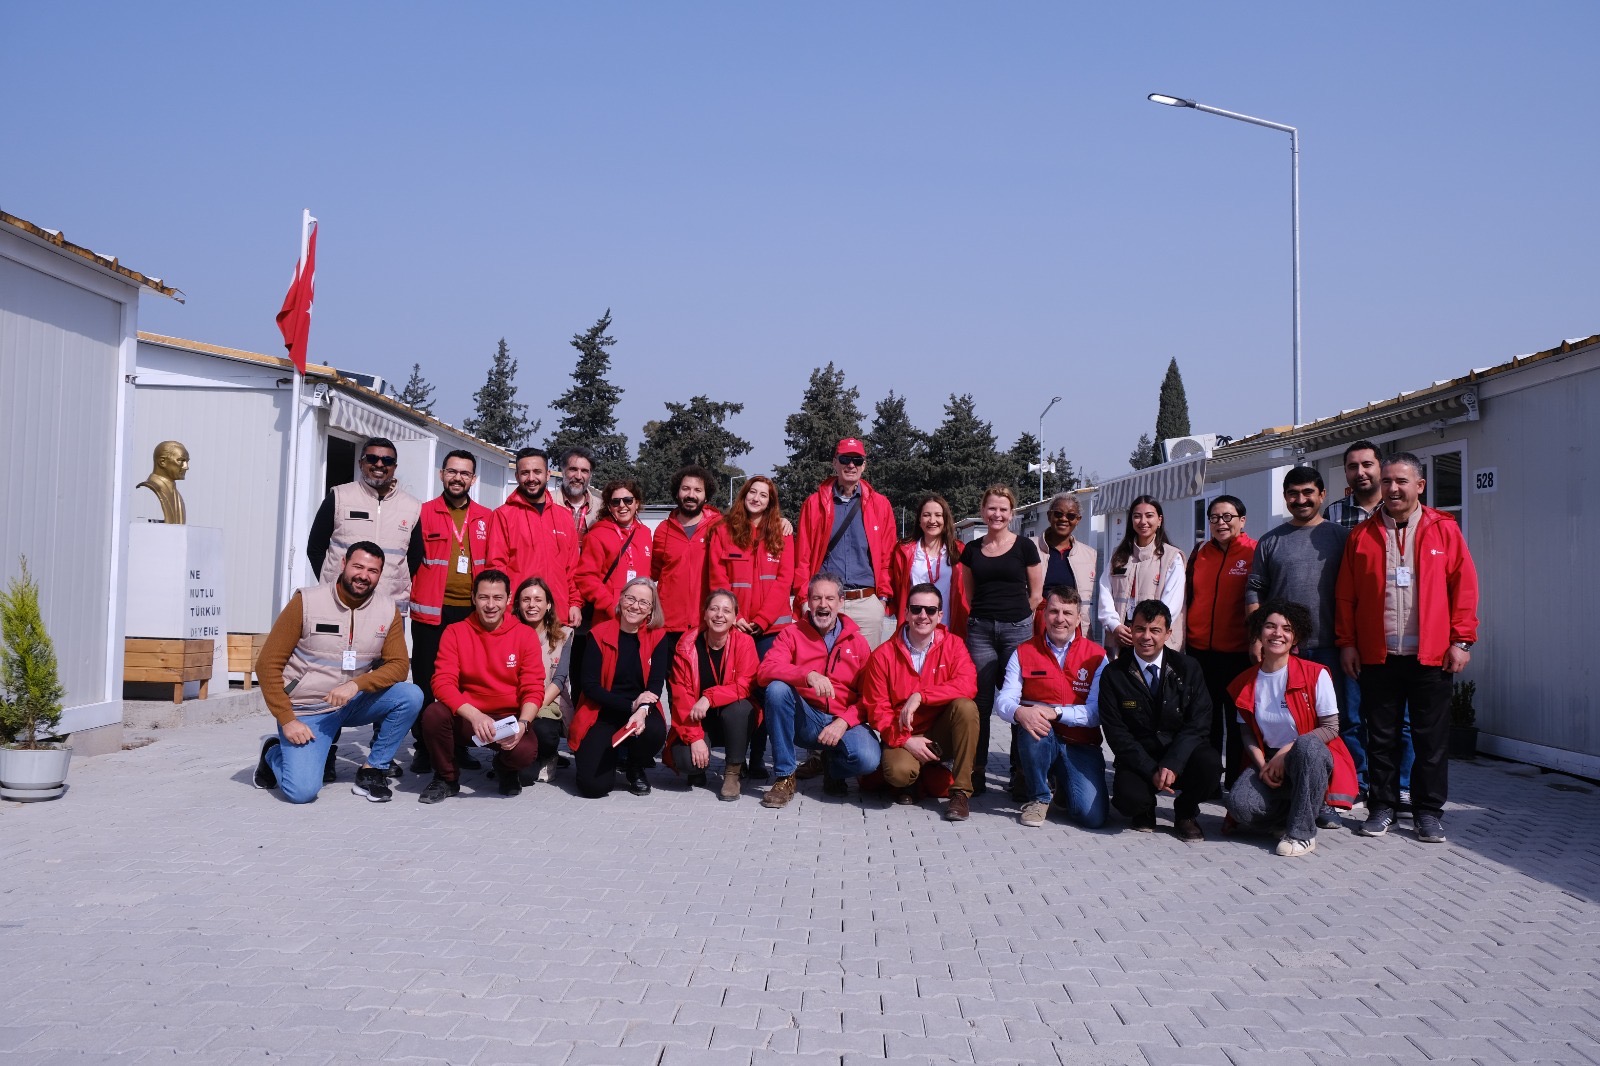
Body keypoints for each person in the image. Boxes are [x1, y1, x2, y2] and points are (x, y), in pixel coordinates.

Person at [1336, 453, 1479, 843]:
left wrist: (1461, 641)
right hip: (1378, 657)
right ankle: (1382, 806)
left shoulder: (1443, 530)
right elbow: (1346, 596)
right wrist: (1348, 644)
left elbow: (1463, 588)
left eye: (1401, 481)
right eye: (1387, 482)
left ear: (1420, 485)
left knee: (1430, 739)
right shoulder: (1361, 536)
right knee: (1379, 737)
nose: (1392, 489)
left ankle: (1428, 812)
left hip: (1431, 657)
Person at [252, 543, 422, 804]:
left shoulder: (387, 610)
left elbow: (399, 665)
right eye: (358, 566)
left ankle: (373, 770)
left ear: (380, 575)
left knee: (410, 695)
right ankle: (273, 753)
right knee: (302, 792)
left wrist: (356, 686)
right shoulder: (306, 601)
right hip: (309, 709)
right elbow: (267, 664)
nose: (364, 575)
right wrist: (287, 719)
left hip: (352, 702)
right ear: (343, 564)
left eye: (373, 571)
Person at [1246, 467, 1352, 803]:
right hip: (1281, 651)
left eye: (1308, 492)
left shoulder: (1339, 537)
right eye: (1293, 493)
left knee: (1329, 726)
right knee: (1282, 722)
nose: (1301, 499)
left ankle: (1333, 794)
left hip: (1328, 648)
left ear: (1322, 495)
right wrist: (1258, 637)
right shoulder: (1271, 540)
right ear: (1285, 497)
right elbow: (1254, 590)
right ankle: (1283, 786)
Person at [1225, 600, 1359, 856]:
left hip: (1309, 757)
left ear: (1295, 636)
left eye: (1286, 628)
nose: (1277, 633)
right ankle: (1289, 815)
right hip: (1269, 760)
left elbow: (1331, 728)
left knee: (1307, 746)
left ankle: (1302, 834)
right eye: (1270, 626)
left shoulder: (1316, 673)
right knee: (1238, 805)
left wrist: (1286, 752)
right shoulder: (1244, 682)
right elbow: (1247, 733)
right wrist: (1263, 765)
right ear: (1259, 633)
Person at [1325, 439, 1412, 800]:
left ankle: (1403, 786)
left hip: (1405, 633)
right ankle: (1362, 781)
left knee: (1403, 721)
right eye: (1352, 466)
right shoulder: (1334, 515)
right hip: (1355, 631)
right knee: (1355, 716)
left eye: (1367, 465)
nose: (1360, 472)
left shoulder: (1407, 511)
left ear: (1381, 468)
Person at [415, 569, 547, 802]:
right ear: (473, 598)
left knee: (525, 752)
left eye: (497, 598)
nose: (490, 605)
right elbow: (442, 682)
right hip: (469, 717)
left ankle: (505, 769)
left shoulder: (525, 635)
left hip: (508, 718)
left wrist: (524, 724)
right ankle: (446, 777)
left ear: (508, 599)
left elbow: (533, 687)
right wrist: (475, 716)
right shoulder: (455, 632)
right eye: (484, 597)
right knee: (434, 714)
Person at [756, 572, 880, 808]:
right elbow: (765, 670)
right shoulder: (791, 634)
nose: (823, 605)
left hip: (842, 721)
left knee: (868, 759)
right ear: (808, 602)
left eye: (830, 598)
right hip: (805, 718)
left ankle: (833, 769)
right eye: (817, 598)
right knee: (777, 689)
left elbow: (870, 698)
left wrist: (843, 721)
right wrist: (806, 675)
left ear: (841, 602)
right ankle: (785, 776)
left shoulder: (858, 643)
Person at [1097, 600, 1219, 839]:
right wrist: (1151, 769)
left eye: (1155, 630)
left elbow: (1199, 722)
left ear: (1168, 633)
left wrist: (1173, 763)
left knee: (1211, 765)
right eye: (1140, 629)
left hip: (1179, 754)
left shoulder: (1188, 668)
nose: (1146, 637)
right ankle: (1144, 809)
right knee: (1128, 800)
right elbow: (1116, 734)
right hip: (1140, 758)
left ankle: (1185, 812)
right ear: (1130, 630)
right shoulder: (1114, 674)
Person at [859, 582, 979, 821]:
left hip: (940, 731)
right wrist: (906, 741)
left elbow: (968, 685)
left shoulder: (954, 645)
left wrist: (921, 696)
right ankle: (918, 780)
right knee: (898, 773)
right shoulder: (883, 655)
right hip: (903, 734)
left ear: (940, 615)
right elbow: (877, 710)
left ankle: (961, 792)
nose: (923, 616)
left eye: (930, 610)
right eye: (916, 609)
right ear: (905, 613)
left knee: (966, 707)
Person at [994, 585, 1109, 830]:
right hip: (1041, 737)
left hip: (1082, 744)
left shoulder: (1098, 656)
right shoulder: (1024, 651)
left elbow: (1097, 712)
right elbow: (1004, 700)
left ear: (1079, 618)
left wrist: (1056, 712)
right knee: (1031, 720)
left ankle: (1064, 789)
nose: (1060, 619)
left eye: (1068, 613)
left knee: (1092, 817)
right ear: (1044, 615)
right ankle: (1039, 797)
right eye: (1054, 611)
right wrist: (1019, 712)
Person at [408, 450, 493, 774]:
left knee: (465, 682)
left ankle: (459, 745)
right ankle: (425, 748)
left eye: (465, 473)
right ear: (442, 474)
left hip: (471, 616)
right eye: (452, 471)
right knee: (426, 682)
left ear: (473, 479)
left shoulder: (486, 517)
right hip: (431, 615)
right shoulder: (424, 513)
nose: (458, 478)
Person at [706, 475, 796, 779]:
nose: (757, 498)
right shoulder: (722, 531)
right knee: (741, 694)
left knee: (767, 694)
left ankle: (758, 757)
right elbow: (718, 577)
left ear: (771, 502)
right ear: (743, 495)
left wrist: (762, 620)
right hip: (737, 627)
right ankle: (737, 757)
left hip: (772, 632)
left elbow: (785, 581)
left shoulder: (782, 533)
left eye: (764, 495)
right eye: (752, 492)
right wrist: (737, 616)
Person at [958, 485, 1044, 797]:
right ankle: (976, 770)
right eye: (992, 508)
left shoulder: (1025, 547)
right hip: (980, 631)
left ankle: (1020, 773)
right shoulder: (972, 550)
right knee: (979, 704)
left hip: (1017, 631)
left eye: (1003, 509)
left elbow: (1036, 594)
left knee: (1018, 701)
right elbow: (969, 593)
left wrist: (1020, 618)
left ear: (1012, 513)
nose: (997, 514)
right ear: (983, 511)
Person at [571, 576, 675, 798]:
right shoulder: (599, 634)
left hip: (640, 711)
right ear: (620, 599)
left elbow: (656, 684)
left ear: (650, 610)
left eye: (644, 602)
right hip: (602, 711)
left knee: (655, 731)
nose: (635, 606)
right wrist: (631, 705)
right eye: (630, 598)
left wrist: (641, 710)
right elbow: (589, 687)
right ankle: (609, 756)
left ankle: (634, 766)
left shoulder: (658, 636)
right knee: (593, 787)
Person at [795, 438, 896, 650]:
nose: (851, 465)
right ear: (835, 463)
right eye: (845, 459)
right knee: (824, 671)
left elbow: (887, 557)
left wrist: (883, 599)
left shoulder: (880, 505)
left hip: (866, 602)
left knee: (868, 673)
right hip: (826, 602)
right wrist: (805, 600)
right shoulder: (814, 504)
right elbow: (803, 557)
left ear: (864, 465)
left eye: (857, 460)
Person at [1185, 494, 1257, 787]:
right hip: (1200, 650)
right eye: (1214, 517)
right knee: (1206, 719)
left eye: (1228, 517)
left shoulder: (1255, 552)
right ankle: (1209, 778)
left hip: (1238, 652)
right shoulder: (1199, 553)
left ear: (1242, 520)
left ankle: (1237, 781)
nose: (1221, 523)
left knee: (1238, 720)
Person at [307, 436, 423, 614]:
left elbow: (414, 557)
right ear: (361, 463)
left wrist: (395, 582)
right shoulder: (339, 497)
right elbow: (315, 548)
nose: (379, 464)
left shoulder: (412, 507)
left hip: (389, 605)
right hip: (339, 602)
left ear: (395, 467)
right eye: (372, 458)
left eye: (387, 460)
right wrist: (332, 583)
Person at [664, 590, 760, 801]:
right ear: (704, 613)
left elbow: (745, 685)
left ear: (735, 617)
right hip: (698, 719)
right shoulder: (686, 646)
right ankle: (699, 767)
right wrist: (695, 738)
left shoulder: (744, 643)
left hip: (732, 721)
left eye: (727, 611)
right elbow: (680, 697)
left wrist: (709, 697)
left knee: (740, 708)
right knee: (686, 761)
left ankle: (732, 773)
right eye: (714, 609)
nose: (719, 615)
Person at [486, 448, 581, 628]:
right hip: (519, 617)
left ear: (548, 474)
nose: (531, 478)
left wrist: (575, 603)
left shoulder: (564, 516)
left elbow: (573, 568)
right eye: (525, 473)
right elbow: (496, 568)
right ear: (516, 476)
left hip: (558, 616)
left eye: (537, 472)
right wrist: (505, 610)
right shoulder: (503, 515)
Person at [1099, 495, 1186, 653]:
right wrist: (1114, 625)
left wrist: (1145, 631)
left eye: (1149, 516)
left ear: (1159, 520)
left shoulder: (1172, 558)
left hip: (1153, 638)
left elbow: (1171, 605)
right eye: (1137, 516)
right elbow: (1105, 591)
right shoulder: (1118, 556)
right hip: (1122, 636)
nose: (1143, 521)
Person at [514, 576, 573, 784]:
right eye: (526, 600)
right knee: (525, 777)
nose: (532, 605)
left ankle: (547, 755)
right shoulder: (507, 633)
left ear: (548, 604)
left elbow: (559, 679)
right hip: (513, 701)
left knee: (544, 731)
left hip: (547, 703)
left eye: (538, 600)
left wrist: (533, 706)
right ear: (518, 605)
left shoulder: (563, 635)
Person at [652, 465, 722, 640]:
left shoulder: (720, 526)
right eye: (686, 489)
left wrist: (779, 520)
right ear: (677, 493)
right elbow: (652, 571)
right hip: (669, 624)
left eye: (698, 490)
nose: (691, 495)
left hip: (707, 623)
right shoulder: (663, 530)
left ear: (706, 496)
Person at [575, 479, 653, 629]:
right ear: (609, 507)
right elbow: (586, 576)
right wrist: (610, 604)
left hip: (639, 617)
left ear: (637, 503)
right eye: (615, 502)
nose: (622, 506)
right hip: (609, 617)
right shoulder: (597, 535)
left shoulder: (645, 533)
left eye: (628, 500)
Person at [890, 494, 968, 638]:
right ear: (919, 520)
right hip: (915, 625)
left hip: (949, 626)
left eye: (938, 515)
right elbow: (896, 589)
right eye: (926, 515)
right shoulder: (904, 550)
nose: (932, 520)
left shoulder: (959, 550)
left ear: (945, 519)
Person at [1029, 492, 1097, 636]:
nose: (1064, 519)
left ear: (1078, 520)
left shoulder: (1089, 554)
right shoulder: (1028, 547)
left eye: (1071, 516)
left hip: (1071, 624)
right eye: (1058, 514)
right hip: (1037, 623)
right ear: (1049, 516)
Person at [553, 445, 604, 545]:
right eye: (573, 469)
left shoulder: (601, 508)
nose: (578, 476)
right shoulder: (547, 502)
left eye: (584, 471)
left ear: (590, 475)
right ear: (563, 471)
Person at [134, 440, 188, 524]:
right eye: (181, 460)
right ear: (162, 462)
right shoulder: (147, 491)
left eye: (187, 461)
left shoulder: (177, 495)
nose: (186, 467)